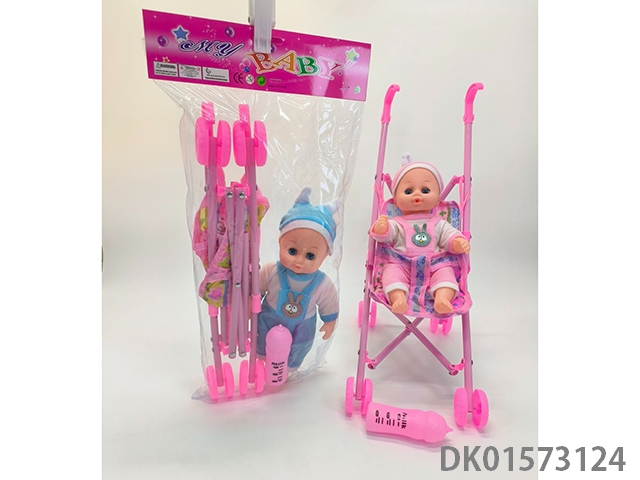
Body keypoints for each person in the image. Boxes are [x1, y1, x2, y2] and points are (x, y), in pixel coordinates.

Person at [370, 155, 469, 314]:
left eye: (425, 190)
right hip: (401, 263)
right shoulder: (396, 222)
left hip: (434, 265)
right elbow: (387, 235)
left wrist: (456, 241)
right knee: (391, 274)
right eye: (408, 191)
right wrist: (382, 229)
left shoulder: (439, 223)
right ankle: (398, 299)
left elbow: (448, 235)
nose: (417, 194)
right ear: (396, 200)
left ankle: (442, 299)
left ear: (437, 200)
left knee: (446, 275)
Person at [256, 187, 339, 369]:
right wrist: (250, 303)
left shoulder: (322, 283)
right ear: (280, 243)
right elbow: (256, 288)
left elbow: (329, 302)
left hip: (302, 325)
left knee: (301, 343)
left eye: (310, 256)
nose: (299, 261)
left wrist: (329, 322)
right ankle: (261, 359)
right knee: (261, 332)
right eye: (292, 251)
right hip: (270, 316)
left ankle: (289, 368)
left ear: (325, 256)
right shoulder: (272, 271)